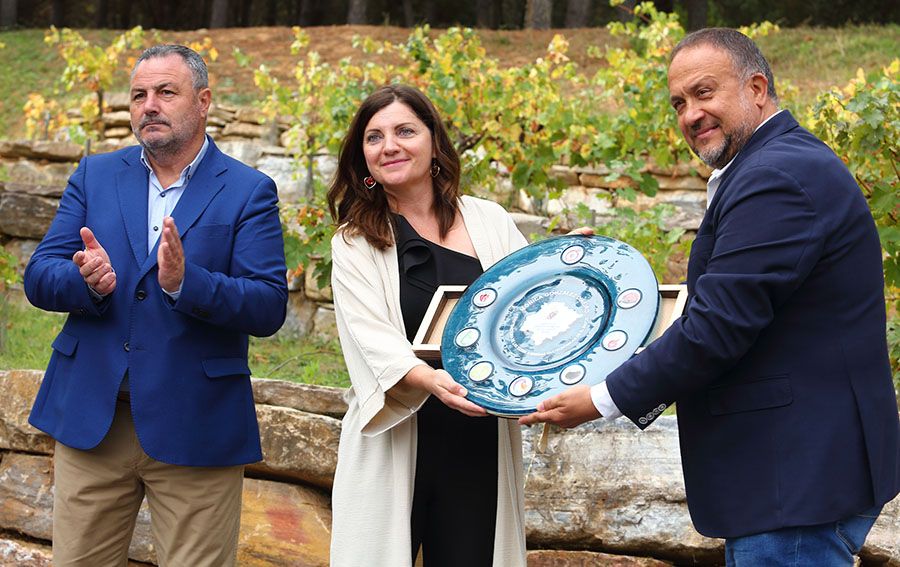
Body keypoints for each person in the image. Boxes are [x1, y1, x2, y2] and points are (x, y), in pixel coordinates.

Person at [521, 28, 900, 566]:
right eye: (679, 103)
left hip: (793, 486)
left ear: (757, 88)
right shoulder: (775, 164)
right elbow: (729, 301)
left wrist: (600, 399)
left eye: (704, 92)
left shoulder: (776, 176)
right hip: (791, 481)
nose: (690, 114)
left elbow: (715, 329)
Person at [23, 44, 288, 566]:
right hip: (92, 420)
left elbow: (267, 304)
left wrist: (187, 284)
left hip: (196, 424)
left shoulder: (248, 190)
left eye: (166, 92)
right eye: (139, 95)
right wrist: (86, 283)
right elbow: (39, 275)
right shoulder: (94, 175)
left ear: (203, 101)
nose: (149, 105)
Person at [326, 84, 528, 567]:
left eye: (404, 131)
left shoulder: (490, 220)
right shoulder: (354, 243)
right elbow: (371, 337)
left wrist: (569, 265)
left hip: (479, 436)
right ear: (363, 157)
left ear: (434, 142)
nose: (389, 146)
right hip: (398, 431)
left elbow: (528, 305)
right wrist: (432, 380)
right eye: (374, 137)